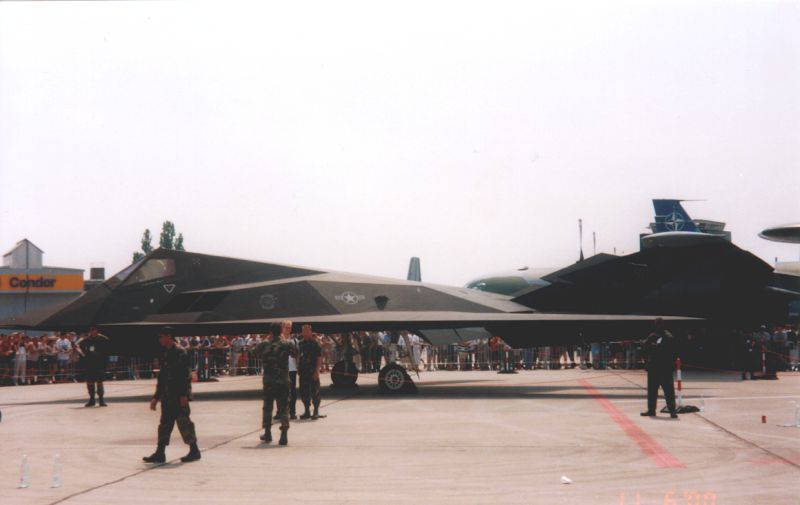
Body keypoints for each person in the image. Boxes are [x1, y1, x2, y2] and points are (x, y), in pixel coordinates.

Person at [143, 330, 200, 463]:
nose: (160, 340)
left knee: (184, 422)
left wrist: (183, 395)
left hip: (178, 395)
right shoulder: (165, 352)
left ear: (169, 337)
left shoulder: (180, 352)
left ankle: (194, 450)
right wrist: (156, 397)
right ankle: (160, 453)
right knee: (165, 424)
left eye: (161, 337)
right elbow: (162, 377)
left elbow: (185, 375)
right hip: (167, 396)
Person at [254, 322, 296, 445]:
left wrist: (267, 339)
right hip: (283, 380)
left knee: (268, 407)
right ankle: (284, 435)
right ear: (281, 331)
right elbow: (295, 354)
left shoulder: (264, 344)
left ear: (270, 332)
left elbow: (254, 352)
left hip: (269, 381)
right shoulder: (287, 344)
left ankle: (267, 433)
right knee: (284, 407)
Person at [641, 318, 678, 419]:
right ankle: (671, 411)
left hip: (657, 367)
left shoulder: (655, 336)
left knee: (656, 390)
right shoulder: (668, 336)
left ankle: (653, 410)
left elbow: (646, 348)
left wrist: (652, 347)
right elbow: (674, 351)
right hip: (663, 367)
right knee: (667, 391)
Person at [76, 327, 111, 406]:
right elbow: (78, 347)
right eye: (91, 330)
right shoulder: (86, 340)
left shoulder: (103, 339)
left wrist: (103, 359)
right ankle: (92, 399)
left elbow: (107, 351)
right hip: (89, 364)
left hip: (99, 363)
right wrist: (82, 354)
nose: (93, 332)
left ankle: (101, 400)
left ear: (98, 331)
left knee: (99, 381)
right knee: (90, 381)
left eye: (95, 330)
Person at [297, 324, 323, 420]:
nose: (306, 333)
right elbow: (299, 356)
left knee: (315, 391)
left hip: (312, 371)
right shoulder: (301, 343)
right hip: (303, 371)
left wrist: (317, 371)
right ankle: (307, 411)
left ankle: (316, 411)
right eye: (304, 331)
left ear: (311, 332)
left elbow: (319, 357)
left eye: (307, 331)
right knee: (304, 392)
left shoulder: (315, 343)